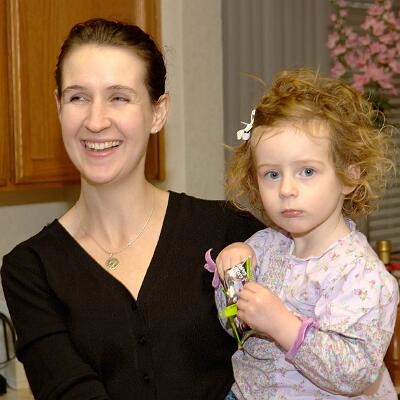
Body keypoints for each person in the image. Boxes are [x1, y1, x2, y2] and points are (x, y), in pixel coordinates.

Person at [0, 18, 264, 400]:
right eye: (78, 97)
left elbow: (289, 360)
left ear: (158, 113)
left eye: (119, 97)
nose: (95, 121)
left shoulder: (230, 232)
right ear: (58, 107)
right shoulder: (31, 270)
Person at [206, 69, 399, 399]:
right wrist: (234, 273)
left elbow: (354, 374)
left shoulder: (361, 275)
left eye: (307, 171)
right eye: (271, 174)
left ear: (350, 175)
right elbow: (233, 324)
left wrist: (283, 325)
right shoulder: (263, 246)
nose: (286, 189)